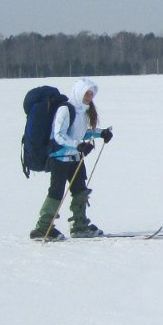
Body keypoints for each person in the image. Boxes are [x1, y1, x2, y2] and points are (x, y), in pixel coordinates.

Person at [30, 78, 113, 239]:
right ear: (79, 92)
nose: (89, 96)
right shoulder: (65, 109)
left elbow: (81, 134)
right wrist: (78, 145)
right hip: (60, 158)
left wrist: (100, 133)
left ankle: (80, 225)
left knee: (80, 191)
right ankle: (43, 227)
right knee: (56, 192)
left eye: (91, 93)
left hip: (75, 158)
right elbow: (59, 135)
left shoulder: (82, 111)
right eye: (87, 93)